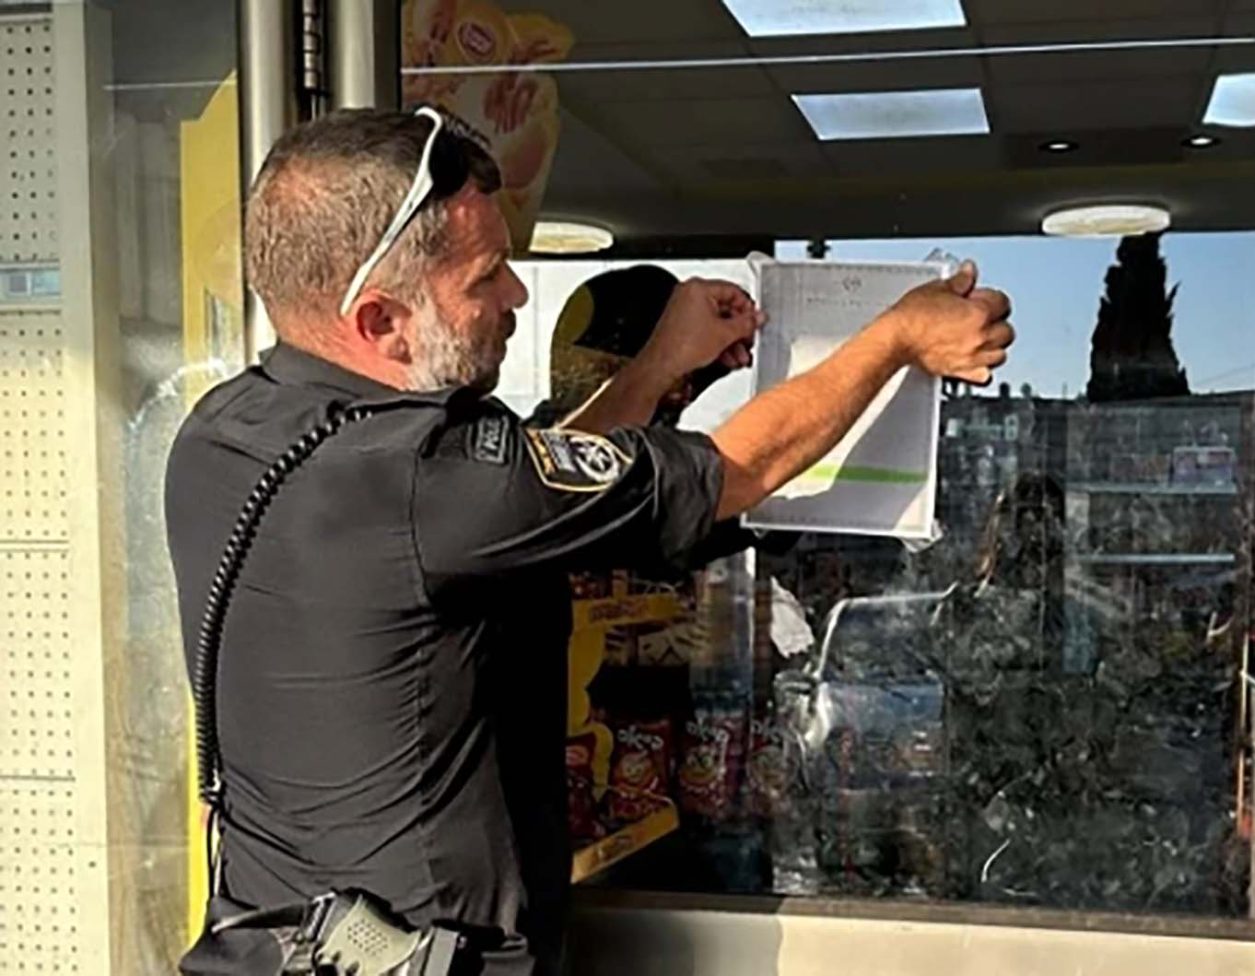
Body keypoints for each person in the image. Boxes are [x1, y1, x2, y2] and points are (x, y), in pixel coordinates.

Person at [165, 107, 1013, 976]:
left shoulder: (223, 432)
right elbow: (736, 469)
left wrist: (655, 367)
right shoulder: (431, 482)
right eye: (486, 277)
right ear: (381, 321)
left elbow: (519, 499)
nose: (516, 297)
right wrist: (897, 338)